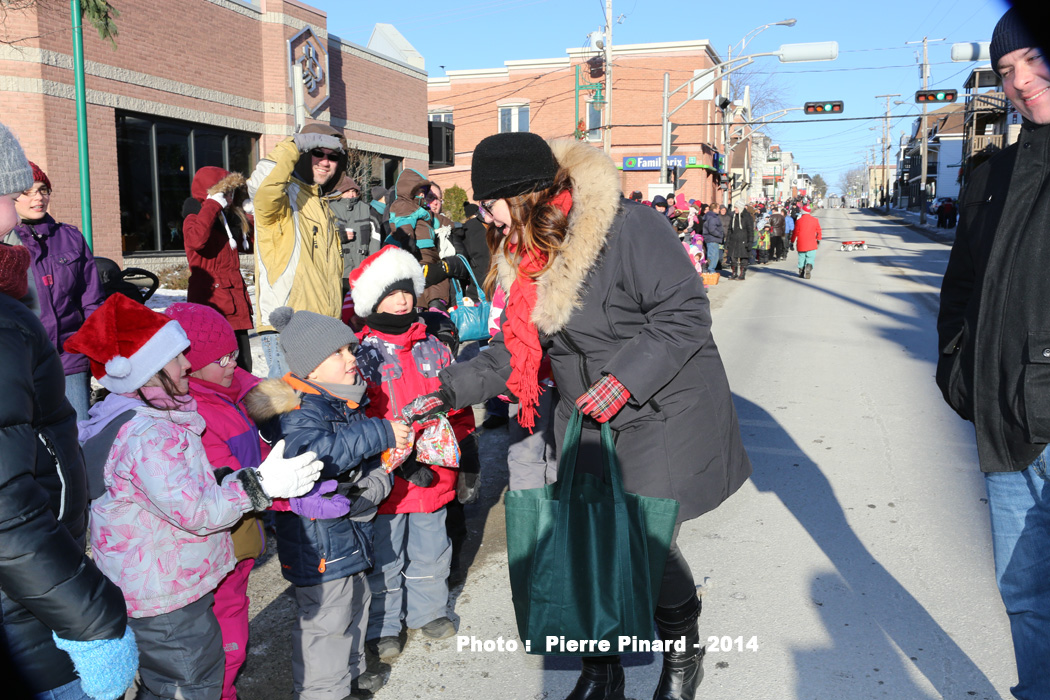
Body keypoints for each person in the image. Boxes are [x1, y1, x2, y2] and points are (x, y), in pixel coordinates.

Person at [402, 133, 752, 700]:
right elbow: (514, 349)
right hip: (584, 420)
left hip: (657, 408)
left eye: (490, 203)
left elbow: (685, 314)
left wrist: (622, 382)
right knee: (587, 546)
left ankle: (683, 653)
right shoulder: (526, 252)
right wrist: (445, 390)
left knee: (645, 542)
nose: (485, 218)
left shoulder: (627, 227)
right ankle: (602, 670)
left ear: (522, 194)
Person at [66, 293, 321, 700]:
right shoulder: (148, 435)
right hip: (167, 599)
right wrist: (260, 485)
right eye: (176, 357)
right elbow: (197, 509)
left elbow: (189, 488)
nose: (188, 364)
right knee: (189, 685)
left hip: (166, 588)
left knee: (179, 681)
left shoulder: (139, 416)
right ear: (144, 370)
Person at [0, 122, 137, 700]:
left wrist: (86, 344)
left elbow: (87, 298)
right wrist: (93, 615)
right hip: (28, 593)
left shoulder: (60, 245)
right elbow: (8, 506)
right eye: (12, 190)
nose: (21, 204)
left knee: (68, 440)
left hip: (63, 364)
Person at [936, 10, 1050, 699]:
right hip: (1007, 430)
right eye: (1008, 72)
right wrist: (962, 375)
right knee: (1024, 596)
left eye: (1035, 61)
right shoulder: (990, 177)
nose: (1021, 81)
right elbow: (960, 293)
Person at [244, 306, 409, 700]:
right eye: (340, 353)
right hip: (318, 543)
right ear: (312, 368)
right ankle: (324, 692)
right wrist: (379, 432)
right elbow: (318, 457)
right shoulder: (298, 411)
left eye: (351, 349)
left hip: (346, 534)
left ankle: (350, 676)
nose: (353, 358)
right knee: (325, 623)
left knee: (355, 603)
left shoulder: (340, 400)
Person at [347, 246, 475, 660]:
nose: (402, 299)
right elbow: (355, 420)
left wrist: (467, 453)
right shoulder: (359, 356)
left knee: (432, 547)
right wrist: (390, 464)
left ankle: (429, 610)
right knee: (385, 555)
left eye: (407, 290)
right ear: (372, 300)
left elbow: (456, 404)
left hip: (435, 474)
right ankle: (385, 624)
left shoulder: (434, 348)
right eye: (390, 292)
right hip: (387, 479)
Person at [163, 302, 267, 700]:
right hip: (220, 541)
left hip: (240, 538)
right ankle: (221, 689)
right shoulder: (197, 413)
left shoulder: (233, 387)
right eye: (221, 358)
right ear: (189, 365)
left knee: (233, 614)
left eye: (233, 353)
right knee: (222, 630)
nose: (232, 362)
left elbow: (253, 385)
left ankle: (226, 683)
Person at [4, 160, 105, 421]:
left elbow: (91, 299)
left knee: (77, 436)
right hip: (17, 362)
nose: (38, 198)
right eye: (28, 191)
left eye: (43, 190)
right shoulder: (5, 243)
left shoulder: (70, 237)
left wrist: (95, 348)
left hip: (68, 359)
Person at [250, 122, 348, 378]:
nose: (326, 162)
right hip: (289, 327)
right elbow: (262, 186)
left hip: (324, 328)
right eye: (319, 153)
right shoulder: (284, 198)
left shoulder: (321, 203)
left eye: (333, 156)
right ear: (304, 155)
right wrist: (294, 144)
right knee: (291, 410)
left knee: (320, 411)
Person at [183, 167, 254, 373]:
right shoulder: (196, 213)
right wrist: (212, 204)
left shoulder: (226, 219)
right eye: (226, 192)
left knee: (243, 366)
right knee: (218, 367)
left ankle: (241, 404)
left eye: (232, 192)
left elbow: (250, 244)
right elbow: (196, 240)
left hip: (234, 301)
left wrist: (252, 216)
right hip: (213, 303)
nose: (230, 197)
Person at [330, 175, 380, 295]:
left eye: (354, 191)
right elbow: (323, 236)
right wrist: (341, 236)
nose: (351, 195)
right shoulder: (329, 209)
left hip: (362, 270)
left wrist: (372, 265)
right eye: (347, 191)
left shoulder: (366, 209)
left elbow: (375, 238)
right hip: (339, 270)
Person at [790, 203, 821, 279]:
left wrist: (792, 241)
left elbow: (795, 232)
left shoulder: (799, 221)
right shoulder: (815, 220)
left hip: (801, 243)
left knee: (801, 257)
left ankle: (801, 270)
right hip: (811, 242)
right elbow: (819, 231)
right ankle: (809, 266)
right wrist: (818, 239)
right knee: (810, 257)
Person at [725, 203, 754, 281]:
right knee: (733, 257)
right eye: (734, 208)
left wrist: (750, 242)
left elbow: (750, 230)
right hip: (733, 240)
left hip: (744, 240)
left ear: (740, 208)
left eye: (736, 208)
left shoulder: (747, 217)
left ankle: (742, 274)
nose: (735, 209)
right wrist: (727, 242)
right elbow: (730, 230)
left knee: (743, 258)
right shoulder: (733, 216)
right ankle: (734, 273)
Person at [701, 201, 724, 274]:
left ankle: (710, 270)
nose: (719, 210)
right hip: (712, 239)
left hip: (711, 239)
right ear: (714, 209)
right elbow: (712, 229)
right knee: (714, 256)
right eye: (718, 208)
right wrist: (720, 234)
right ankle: (711, 270)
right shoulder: (713, 217)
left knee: (712, 255)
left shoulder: (710, 216)